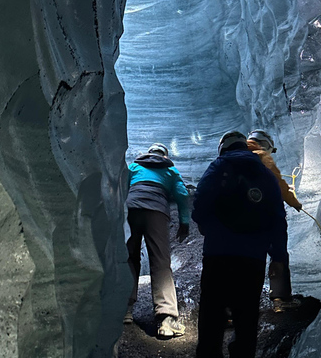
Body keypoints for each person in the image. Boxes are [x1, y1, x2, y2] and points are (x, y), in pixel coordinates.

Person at [192, 131, 288, 358]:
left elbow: (200, 202)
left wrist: (207, 227)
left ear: (223, 148)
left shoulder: (218, 167)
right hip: (253, 257)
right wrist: (278, 257)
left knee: (211, 317)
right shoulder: (264, 173)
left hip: (218, 253)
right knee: (246, 318)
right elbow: (277, 218)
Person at [125, 143, 190, 339]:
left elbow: (119, 186)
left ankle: (124, 311)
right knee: (160, 261)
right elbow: (182, 194)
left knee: (129, 258)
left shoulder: (134, 166)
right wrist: (184, 222)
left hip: (132, 208)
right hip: (156, 211)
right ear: (164, 155)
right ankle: (167, 318)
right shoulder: (170, 169)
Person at [246, 129, 302, 313]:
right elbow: (278, 184)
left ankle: (236, 307)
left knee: (246, 259)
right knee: (278, 255)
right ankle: (281, 298)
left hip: (244, 217)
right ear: (266, 145)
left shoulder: (233, 158)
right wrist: (294, 202)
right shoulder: (263, 156)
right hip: (270, 215)